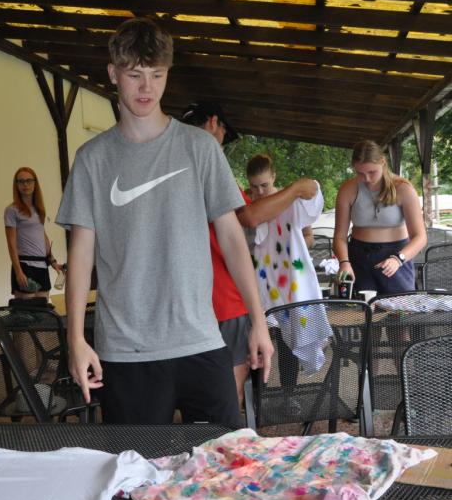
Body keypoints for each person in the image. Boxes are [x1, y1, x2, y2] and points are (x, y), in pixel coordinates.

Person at [56, 17, 273, 426]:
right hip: (126, 351)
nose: (146, 87)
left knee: (221, 459)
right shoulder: (92, 159)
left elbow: (232, 239)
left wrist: (258, 321)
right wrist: (76, 340)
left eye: (157, 75)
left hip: (201, 340)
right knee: (136, 464)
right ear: (113, 74)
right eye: (134, 75)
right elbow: (81, 256)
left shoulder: (200, 148)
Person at [181, 101, 318, 403]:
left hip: (184, 299)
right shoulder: (212, 167)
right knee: (228, 393)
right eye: (223, 134)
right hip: (225, 298)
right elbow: (250, 216)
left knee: (194, 384)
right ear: (214, 124)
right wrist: (296, 189)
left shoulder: (171, 169)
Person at [247, 154, 331, 375]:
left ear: (274, 177)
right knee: (262, 340)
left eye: (264, 185)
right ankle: (260, 389)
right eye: (254, 187)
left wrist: (294, 244)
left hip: (292, 281)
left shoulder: (290, 201)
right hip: (262, 283)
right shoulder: (248, 208)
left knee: (292, 340)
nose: (260, 192)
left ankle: (288, 390)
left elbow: (312, 198)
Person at [334, 140, 427, 293]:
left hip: (396, 255)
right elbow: (339, 236)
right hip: (359, 256)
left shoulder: (404, 188)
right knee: (361, 306)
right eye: (360, 173)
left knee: (399, 306)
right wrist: (344, 262)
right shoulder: (347, 189)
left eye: (372, 172)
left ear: (383, 162)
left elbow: (420, 237)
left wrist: (399, 258)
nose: (367, 179)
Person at [4, 167, 62, 299]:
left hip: (42, 266)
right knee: (27, 310)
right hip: (25, 266)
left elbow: (43, 237)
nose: (25, 184)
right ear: (16, 185)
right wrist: (18, 272)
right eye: (21, 181)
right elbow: (11, 243)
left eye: (29, 180)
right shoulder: (12, 210)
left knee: (43, 309)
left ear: (35, 183)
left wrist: (53, 262)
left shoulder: (38, 210)